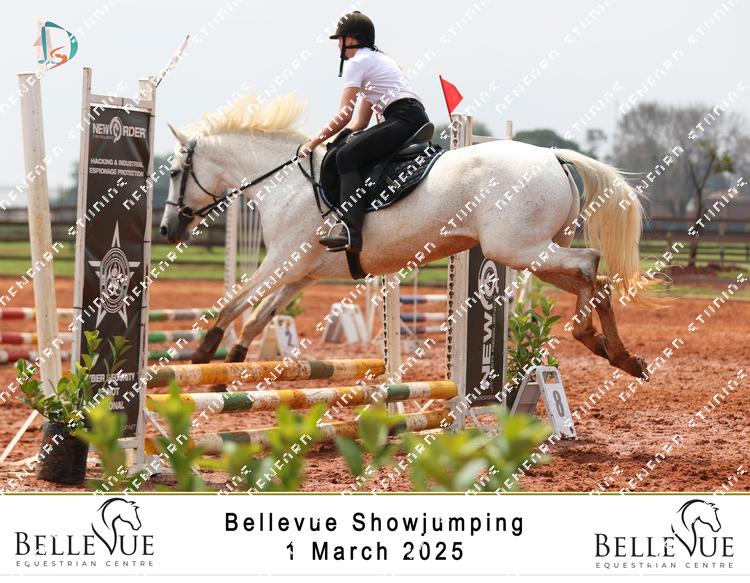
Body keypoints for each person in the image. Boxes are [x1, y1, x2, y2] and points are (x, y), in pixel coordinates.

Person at [299, 11, 430, 253]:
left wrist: (313, 142)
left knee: (346, 156)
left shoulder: (357, 63)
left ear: (351, 39)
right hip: (411, 116)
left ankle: (351, 231)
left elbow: (344, 115)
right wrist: (337, 139)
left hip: (402, 117)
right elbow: (360, 122)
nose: (338, 46)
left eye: (340, 40)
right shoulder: (377, 61)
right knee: (346, 148)